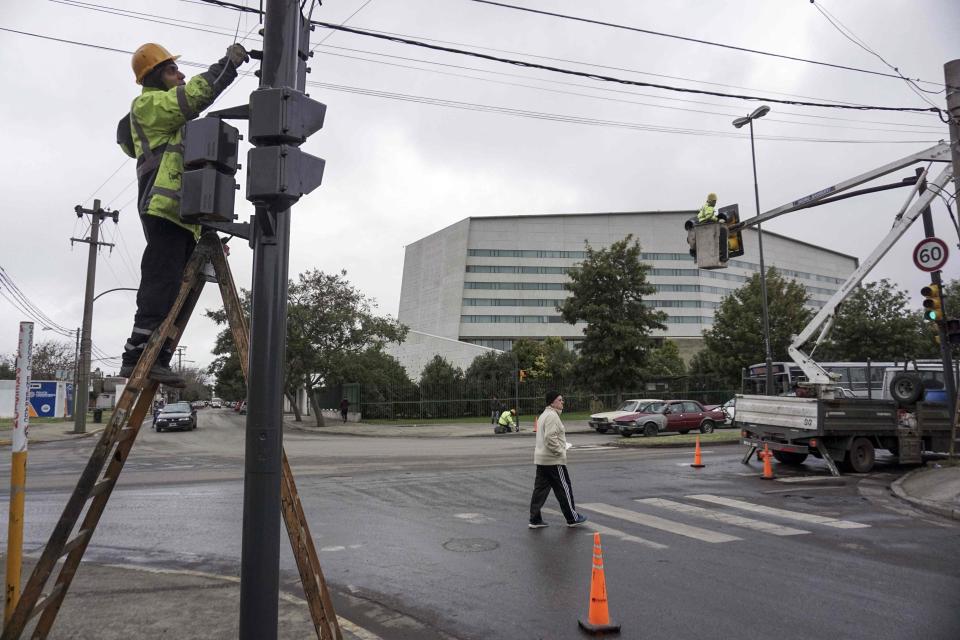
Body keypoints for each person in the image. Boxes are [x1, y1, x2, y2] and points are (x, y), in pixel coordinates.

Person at [116, 42, 250, 388]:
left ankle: (156, 355)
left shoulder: (162, 116)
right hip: (163, 210)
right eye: (174, 70)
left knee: (176, 288)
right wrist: (227, 65)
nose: (181, 75)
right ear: (155, 75)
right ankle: (136, 355)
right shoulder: (147, 105)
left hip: (182, 217)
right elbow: (194, 97)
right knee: (160, 282)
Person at [529, 391, 587, 528]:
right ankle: (572, 518)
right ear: (552, 402)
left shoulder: (544, 415)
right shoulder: (552, 416)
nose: (562, 402)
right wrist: (560, 451)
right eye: (560, 400)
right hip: (553, 460)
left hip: (542, 459)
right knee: (564, 488)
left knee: (540, 490)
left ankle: (535, 519)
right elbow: (550, 438)